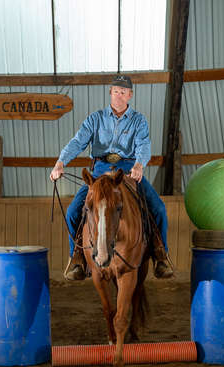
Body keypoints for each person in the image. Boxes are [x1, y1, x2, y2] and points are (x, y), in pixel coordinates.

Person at [49, 75, 174, 281]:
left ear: (130, 95)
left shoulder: (138, 120)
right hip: (99, 170)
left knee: (158, 209)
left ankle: (161, 255)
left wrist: (139, 165)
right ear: (110, 92)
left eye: (123, 92)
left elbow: (143, 145)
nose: (119, 95)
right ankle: (77, 257)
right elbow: (78, 141)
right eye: (116, 91)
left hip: (127, 170)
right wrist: (61, 163)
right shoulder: (95, 119)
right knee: (73, 211)